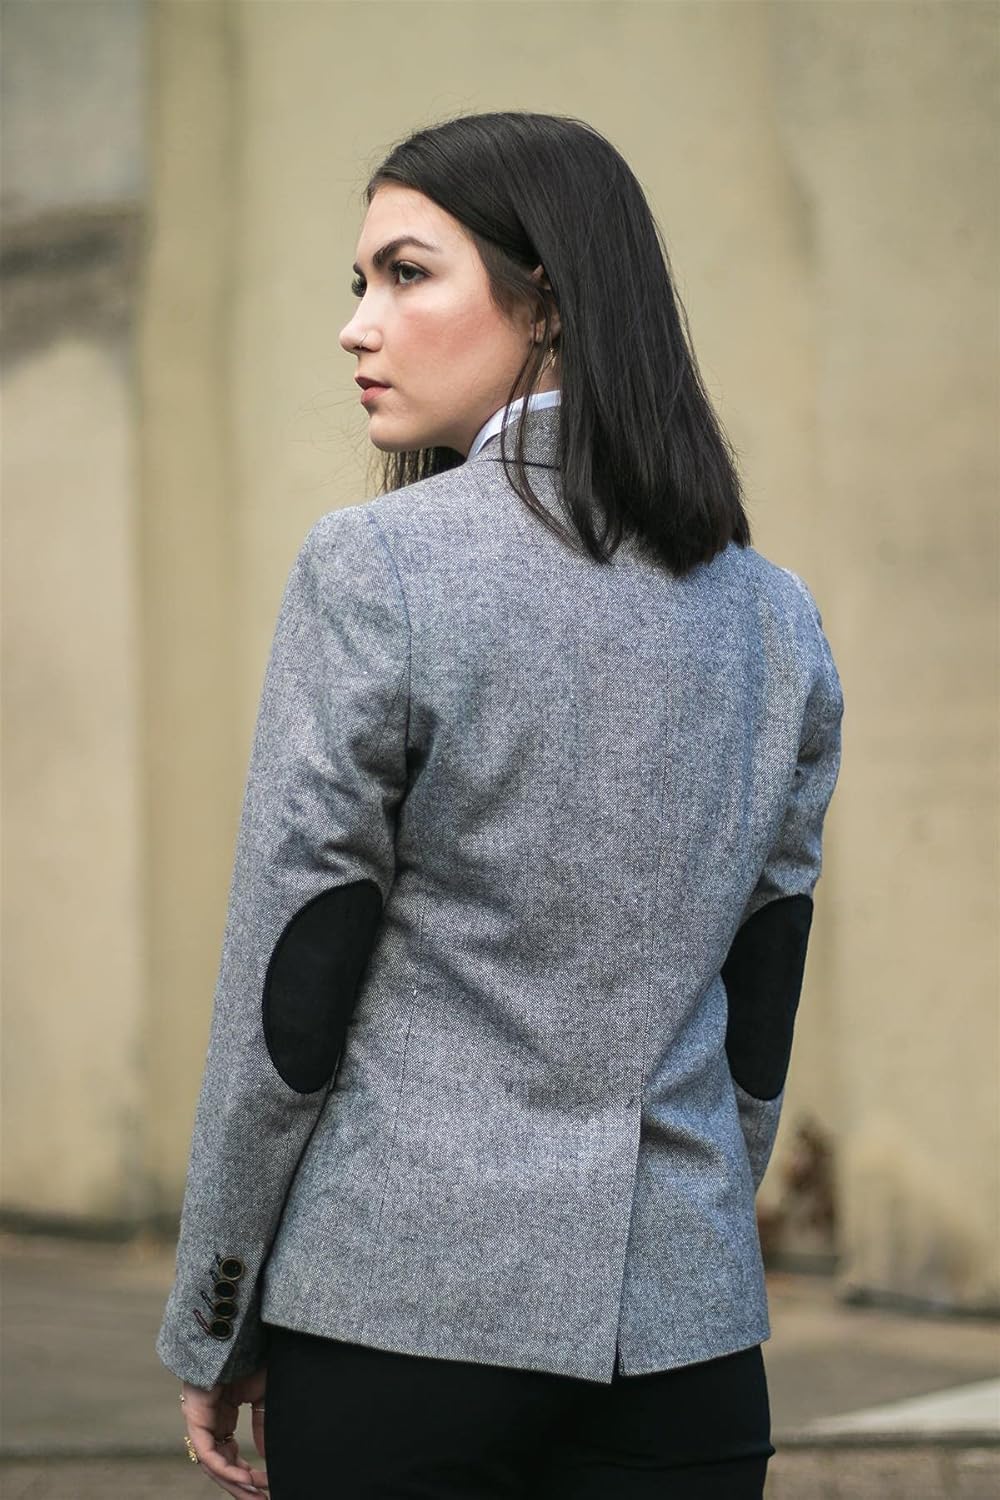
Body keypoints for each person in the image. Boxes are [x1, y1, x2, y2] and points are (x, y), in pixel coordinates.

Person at [157, 111, 843, 1499]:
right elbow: (759, 1004)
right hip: (688, 1348)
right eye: (359, 282)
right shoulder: (777, 619)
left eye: (407, 275)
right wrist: (699, 1226)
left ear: (551, 304)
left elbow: (290, 991)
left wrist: (218, 1305)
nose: (358, 326)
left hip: (400, 1323)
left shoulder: (376, 569)